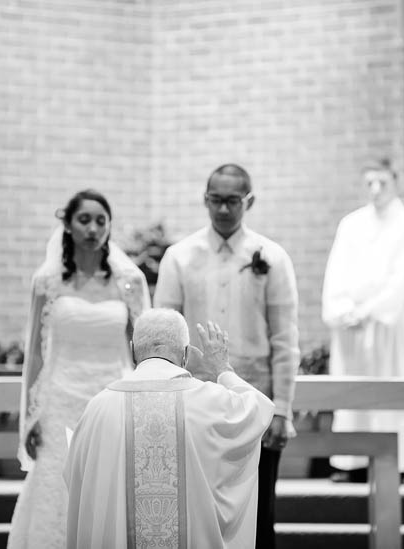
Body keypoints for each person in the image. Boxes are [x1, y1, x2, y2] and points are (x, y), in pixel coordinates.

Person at [153, 163, 300, 548]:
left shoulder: (273, 257)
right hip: (191, 403)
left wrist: (282, 409)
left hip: (254, 402)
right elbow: (162, 337)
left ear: (248, 201)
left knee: (258, 510)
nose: (222, 209)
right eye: (215, 200)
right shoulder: (179, 257)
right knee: (193, 507)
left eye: (232, 201)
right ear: (205, 199)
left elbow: (285, 339)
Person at [8, 189, 151, 549]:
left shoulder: (129, 281)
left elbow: (145, 351)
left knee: (109, 491)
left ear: (109, 227)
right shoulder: (47, 282)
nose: (93, 228)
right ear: (68, 225)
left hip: (113, 400)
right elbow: (37, 354)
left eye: (101, 220)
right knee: (57, 487)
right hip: (60, 400)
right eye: (84, 219)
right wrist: (31, 415)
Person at [65, 310, 275, 548]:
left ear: (133, 350)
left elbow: (76, 476)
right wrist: (222, 369)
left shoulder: (100, 407)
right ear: (185, 354)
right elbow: (260, 409)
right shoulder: (208, 401)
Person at [322, 158, 404, 482]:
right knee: (351, 395)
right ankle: (351, 463)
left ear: (395, 181)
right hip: (351, 328)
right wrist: (342, 311)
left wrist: (370, 310)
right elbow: (335, 273)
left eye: (382, 182)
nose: (375, 190)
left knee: (388, 395)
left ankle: (395, 464)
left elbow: (403, 281)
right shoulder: (351, 224)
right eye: (369, 183)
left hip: (385, 325)